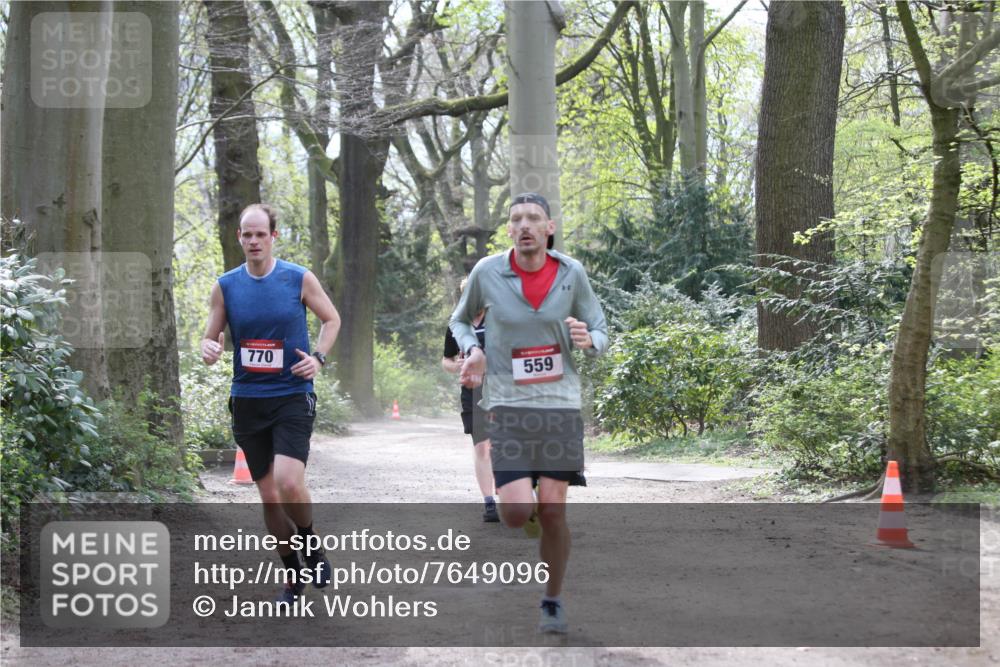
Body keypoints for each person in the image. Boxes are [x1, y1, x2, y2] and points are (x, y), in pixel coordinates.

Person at [449, 192, 609, 634]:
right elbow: (459, 320)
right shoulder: (487, 272)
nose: (524, 225)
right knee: (516, 514)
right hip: (507, 405)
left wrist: (589, 340)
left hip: (559, 406)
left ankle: (552, 600)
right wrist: (473, 349)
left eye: (533, 218)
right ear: (509, 230)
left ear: (548, 228)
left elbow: (600, 327)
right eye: (516, 218)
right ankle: (529, 506)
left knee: (554, 511)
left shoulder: (571, 273)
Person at [201, 203, 341, 603]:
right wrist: (208, 348)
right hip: (248, 400)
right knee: (270, 497)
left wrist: (318, 359)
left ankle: (310, 543)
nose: (254, 241)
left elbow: (332, 319)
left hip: (291, 395)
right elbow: (209, 338)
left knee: (288, 481)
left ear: (273, 236)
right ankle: (292, 574)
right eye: (247, 234)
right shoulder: (226, 286)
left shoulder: (298, 278)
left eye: (261, 234)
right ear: (239, 238)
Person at [441, 285, 498, 522]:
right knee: (482, 447)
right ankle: (489, 503)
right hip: (472, 391)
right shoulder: (457, 324)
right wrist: (456, 366)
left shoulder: (499, 318)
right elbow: (446, 360)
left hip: (501, 388)